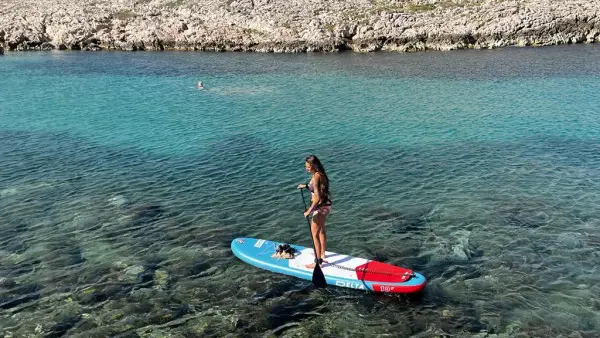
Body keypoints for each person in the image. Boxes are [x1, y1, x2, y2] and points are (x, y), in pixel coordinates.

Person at [297, 155, 332, 268]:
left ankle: (318, 262)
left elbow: (316, 198)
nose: (306, 169)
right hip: (326, 205)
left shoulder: (316, 177)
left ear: (313, 166)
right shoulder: (321, 174)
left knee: (314, 235)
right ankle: (322, 254)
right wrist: (306, 186)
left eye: (308, 167)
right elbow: (318, 188)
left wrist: (309, 211)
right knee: (321, 230)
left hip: (319, 208)